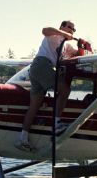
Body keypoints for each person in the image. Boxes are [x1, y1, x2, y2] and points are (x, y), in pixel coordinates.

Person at [15, 21, 78, 152]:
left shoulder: (66, 45)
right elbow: (45, 30)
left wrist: (83, 46)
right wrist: (64, 33)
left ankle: (22, 139)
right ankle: (57, 124)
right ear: (62, 27)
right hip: (42, 65)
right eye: (69, 27)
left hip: (36, 69)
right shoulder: (54, 34)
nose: (71, 30)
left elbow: (77, 54)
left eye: (73, 29)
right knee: (65, 90)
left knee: (34, 106)